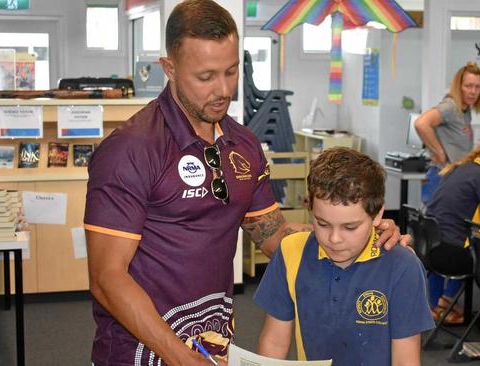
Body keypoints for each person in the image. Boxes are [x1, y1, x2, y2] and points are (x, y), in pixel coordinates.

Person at [83, 1, 406, 365]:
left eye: (231, 72)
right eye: (205, 77)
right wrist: (180, 357)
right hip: (138, 354)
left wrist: (360, 234)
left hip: (212, 347)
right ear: (169, 68)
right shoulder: (130, 150)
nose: (223, 90)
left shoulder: (244, 145)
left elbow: (277, 239)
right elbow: (106, 278)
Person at [254, 147, 433, 365]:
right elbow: (274, 343)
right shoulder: (291, 251)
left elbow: (406, 360)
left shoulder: (402, 266)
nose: (335, 239)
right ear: (310, 208)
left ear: (377, 215)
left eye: (350, 227)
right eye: (322, 223)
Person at [425, 143, 480, 324]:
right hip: (453, 254)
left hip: (430, 246)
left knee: (468, 243)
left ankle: (434, 307)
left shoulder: (460, 169)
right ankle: (452, 303)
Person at [415, 62, 480, 204]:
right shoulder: (451, 106)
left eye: (477, 87)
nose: (473, 91)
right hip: (441, 178)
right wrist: (440, 152)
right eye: (468, 86)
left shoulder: (465, 110)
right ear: (459, 86)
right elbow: (421, 123)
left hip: (454, 178)